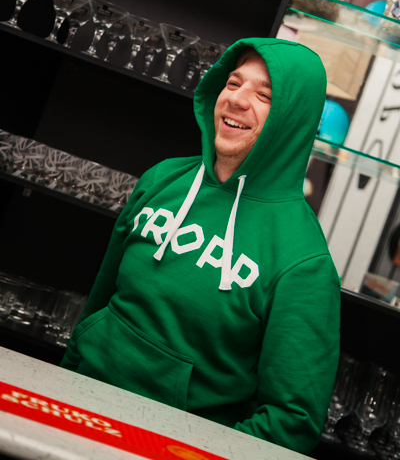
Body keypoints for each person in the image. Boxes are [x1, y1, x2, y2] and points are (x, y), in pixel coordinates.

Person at [61, 38, 340, 455]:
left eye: (265, 96)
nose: (237, 100)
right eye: (233, 83)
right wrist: (62, 382)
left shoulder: (304, 261)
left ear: (293, 120)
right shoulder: (162, 180)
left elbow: (291, 422)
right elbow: (98, 306)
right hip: (73, 410)